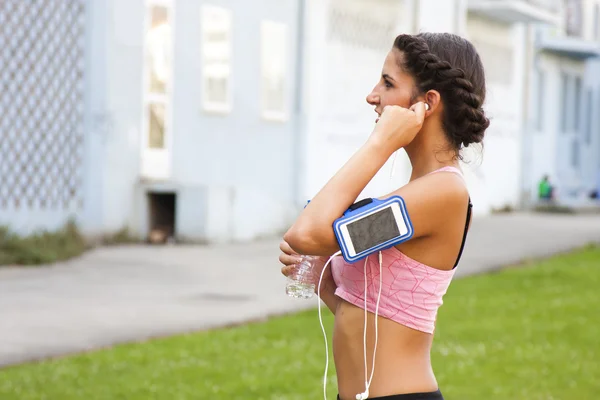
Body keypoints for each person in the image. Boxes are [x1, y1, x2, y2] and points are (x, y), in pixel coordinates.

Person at [279, 32, 489, 400]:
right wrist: (321, 276)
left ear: (427, 103)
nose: (372, 95)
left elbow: (307, 232)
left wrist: (381, 142)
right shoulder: (414, 197)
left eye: (388, 82)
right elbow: (357, 310)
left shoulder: (443, 194)